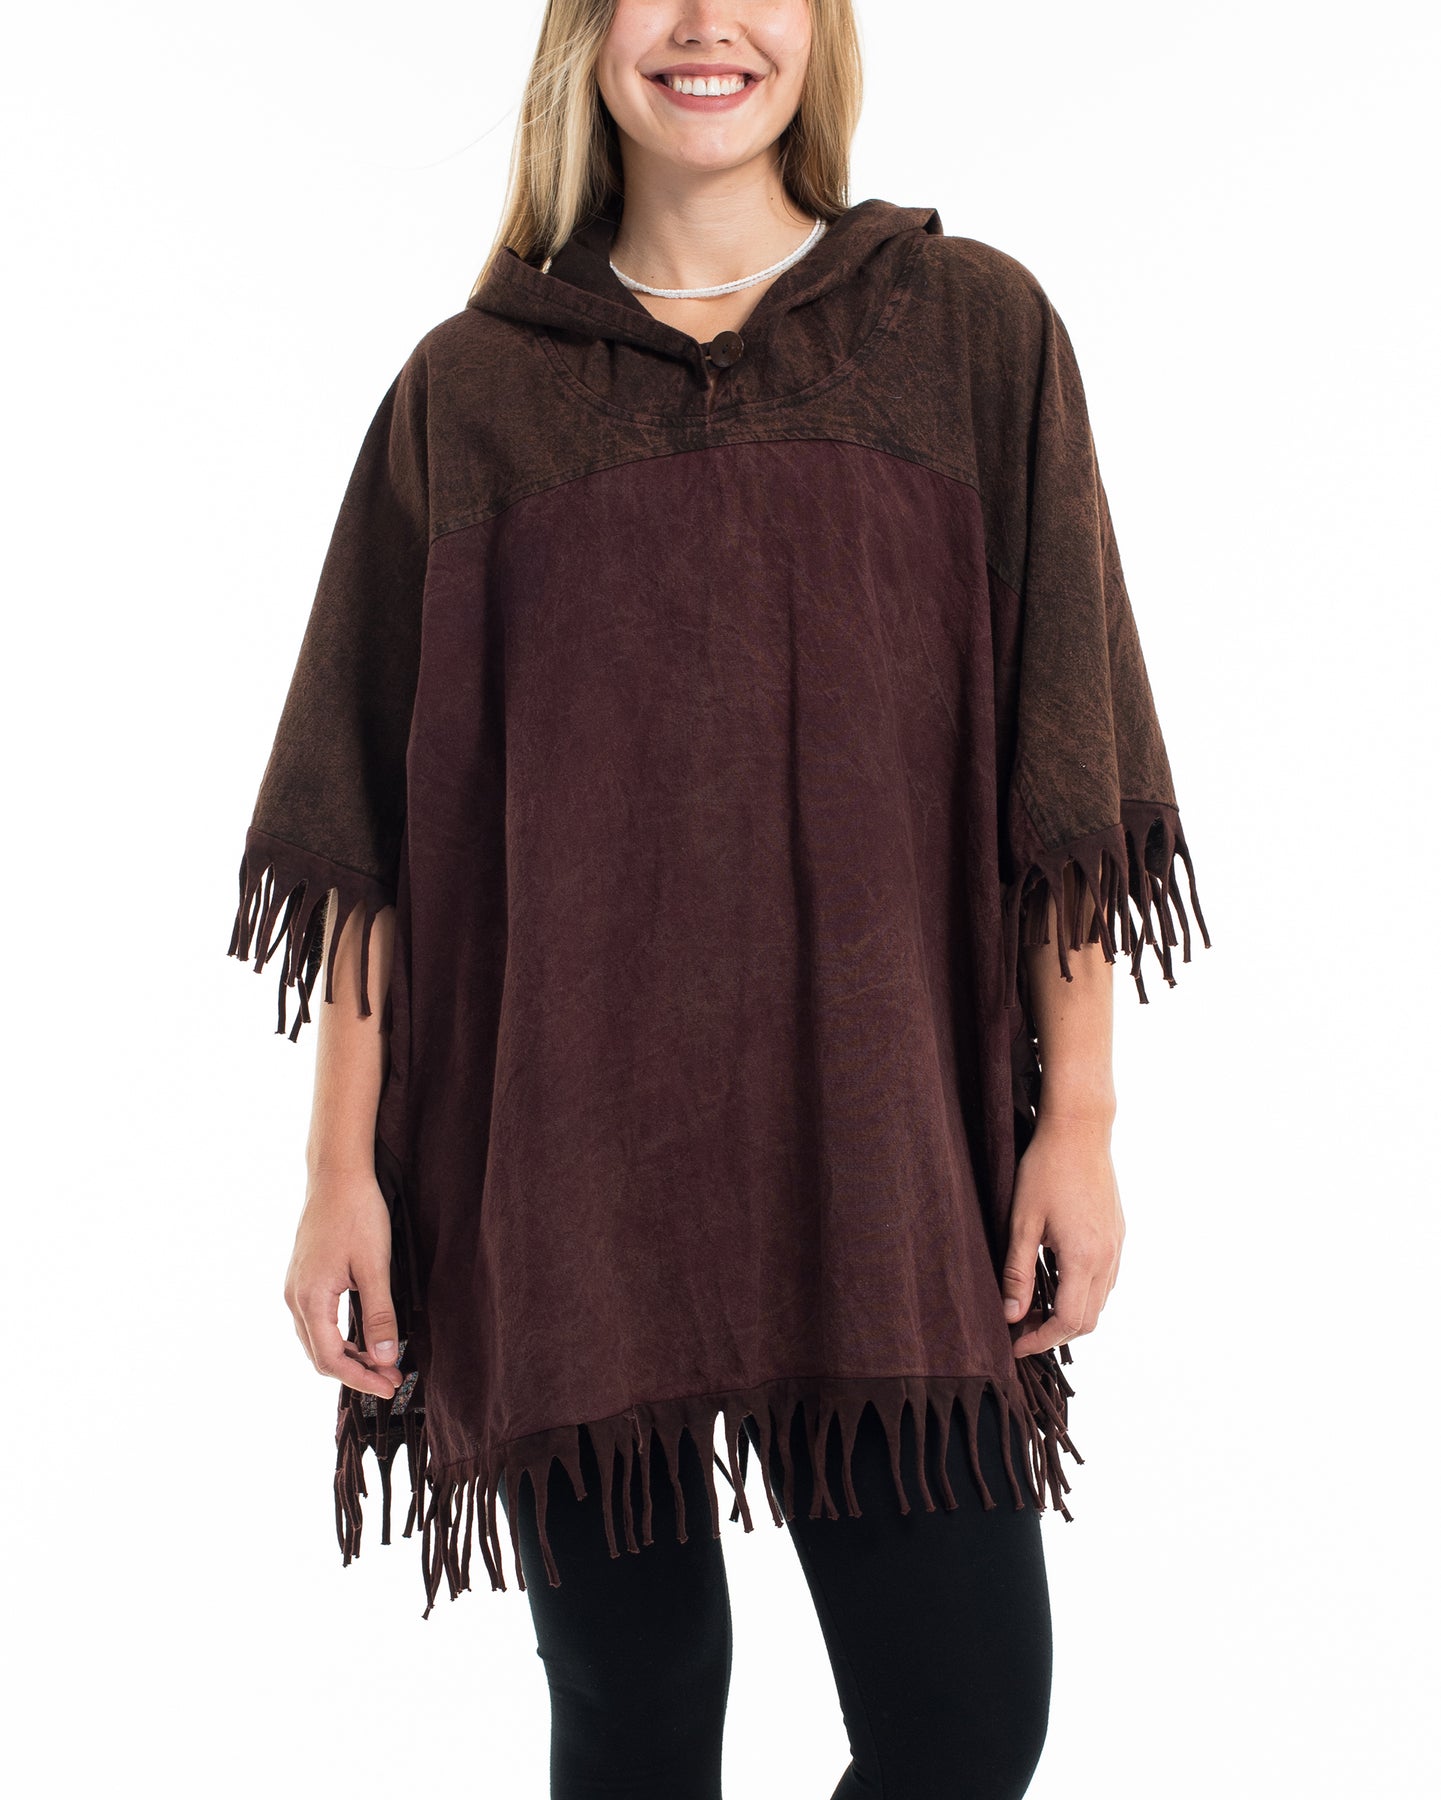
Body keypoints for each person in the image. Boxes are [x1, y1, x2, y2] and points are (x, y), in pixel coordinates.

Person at [227, 3, 1210, 1796]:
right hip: (565, 1168)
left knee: (962, 1721)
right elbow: (370, 826)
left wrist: (1077, 1120)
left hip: (882, 1148)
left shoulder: (968, 331)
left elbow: (1061, 774)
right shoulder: (474, 391)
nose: (705, 26)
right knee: (637, 1708)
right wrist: (336, 1170)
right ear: (584, 34)